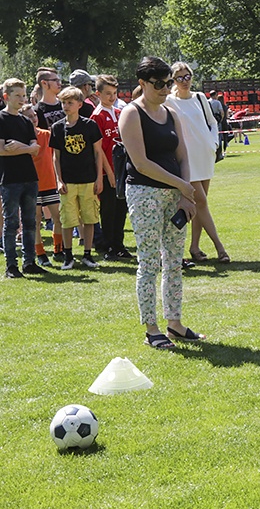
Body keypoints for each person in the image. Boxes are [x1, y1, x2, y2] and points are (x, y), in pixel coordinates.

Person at [118, 56, 203, 349]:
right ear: (142, 83)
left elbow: (183, 156)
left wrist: (184, 192)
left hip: (173, 195)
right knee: (150, 262)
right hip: (145, 194)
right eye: (159, 84)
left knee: (174, 263)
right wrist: (181, 184)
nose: (166, 89)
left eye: (168, 83)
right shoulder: (131, 114)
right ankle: (151, 327)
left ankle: (175, 323)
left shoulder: (171, 113)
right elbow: (140, 163)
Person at [165, 62, 229, 263]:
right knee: (201, 201)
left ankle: (195, 246)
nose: (184, 81)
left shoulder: (200, 98)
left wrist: (213, 142)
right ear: (173, 80)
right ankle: (220, 247)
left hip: (204, 155)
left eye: (187, 77)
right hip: (186, 158)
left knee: (201, 204)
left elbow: (212, 122)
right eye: (179, 78)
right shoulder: (169, 101)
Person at [50, 86, 104, 270]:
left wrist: (99, 179)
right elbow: (55, 156)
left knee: (89, 218)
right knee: (67, 220)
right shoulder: (57, 128)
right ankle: (68, 256)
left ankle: (88, 254)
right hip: (68, 182)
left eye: (70, 103)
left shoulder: (90, 125)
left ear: (80, 104)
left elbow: (98, 153)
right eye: (63, 102)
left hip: (88, 179)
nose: (66, 106)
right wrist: (59, 179)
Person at [0, 79, 43, 278]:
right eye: (18, 95)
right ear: (6, 96)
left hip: (29, 178)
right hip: (9, 179)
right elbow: (1, 150)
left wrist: (19, 146)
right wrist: (25, 149)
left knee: (30, 222)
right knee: (11, 223)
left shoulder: (26, 121)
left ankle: (30, 262)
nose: (22, 99)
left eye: (24, 95)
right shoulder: (1, 119)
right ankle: (11, 266)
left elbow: (35, 149)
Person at [91, 74, 131, 260]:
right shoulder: (97, 116)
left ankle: (119, 244)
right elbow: (99, 149)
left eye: (114, 93)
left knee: (121, 208)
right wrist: (109, 173)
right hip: (108, 172)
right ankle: (108, 246)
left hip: (122, 169)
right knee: (108, 209)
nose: (112, 97)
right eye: (108, 93)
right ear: (98, 94)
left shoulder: (118, 113)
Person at [22, 103, 63, 265]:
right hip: (32, 185)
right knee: (36, 220)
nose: (33, 119)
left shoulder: (47, 135)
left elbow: (55, 158)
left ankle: (58, 249)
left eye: (34, 115)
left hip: (50, 183)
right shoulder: (21, 139)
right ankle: (40, 253)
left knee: (58, 217)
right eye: (28, 117)